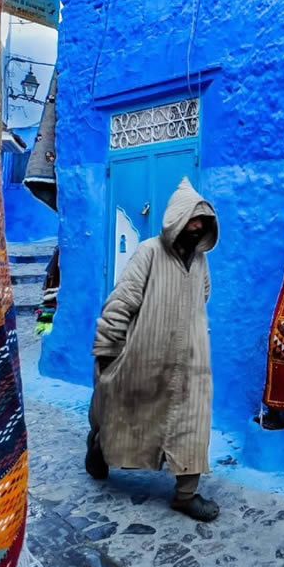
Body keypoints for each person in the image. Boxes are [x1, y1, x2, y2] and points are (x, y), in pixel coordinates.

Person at [87, 177, 220, 522]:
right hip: (146, 355)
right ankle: (100, 448)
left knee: (194, 420)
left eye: (202, 222)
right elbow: (122, 301)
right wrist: (107, 347)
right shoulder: (148, 252)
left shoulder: (201, 262)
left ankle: (186, 494)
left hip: (191, 360)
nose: (196, 227)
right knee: (121, 408)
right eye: (191, 220)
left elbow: (202, 297)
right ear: (176, 219)